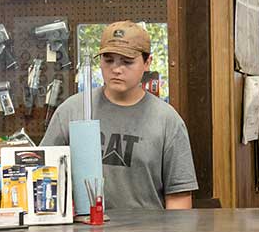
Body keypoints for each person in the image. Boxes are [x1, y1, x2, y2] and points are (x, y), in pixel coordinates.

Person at [42, 21, 197, 209]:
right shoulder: (72, 111)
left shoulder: (167, 121)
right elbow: (43, 175)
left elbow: (178, 197)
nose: (116, 69)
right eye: (108, 60)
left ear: (148, 62)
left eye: (127, 61)